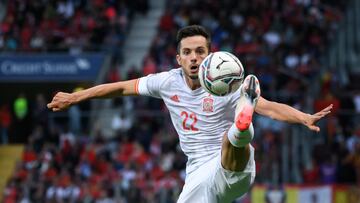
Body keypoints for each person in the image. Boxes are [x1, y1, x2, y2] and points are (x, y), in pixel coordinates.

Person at [47, 25, 332, 203]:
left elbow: (269, 108)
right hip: (196, 172)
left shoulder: (228, 88)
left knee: (232, 137)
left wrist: (303, 117)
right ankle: (241, 128)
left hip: (233, 165)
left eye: (199, 51)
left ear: (210, 55)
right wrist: (76, 96)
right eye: (187, 52)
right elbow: (122, 88)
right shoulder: (166, 81)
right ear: (179, 58)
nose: (194, 57)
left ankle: (242, 126)